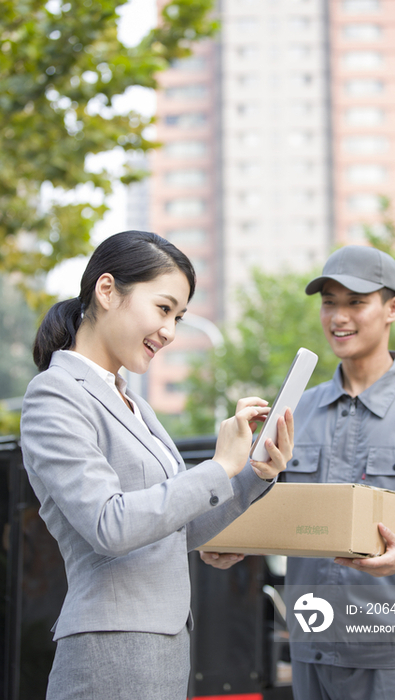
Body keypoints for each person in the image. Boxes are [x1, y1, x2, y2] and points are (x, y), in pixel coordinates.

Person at [20, 230, 294, 700]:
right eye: (163, 308)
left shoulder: (133, 404)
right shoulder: (55, 393)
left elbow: (175, 529)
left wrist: (254, 473)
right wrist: (217, 467)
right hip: (110, 652)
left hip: (163, 649)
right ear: (107, 291)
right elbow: (109, 525)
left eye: (179, 317)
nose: (170, 330)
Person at [201, 245, 395, 700]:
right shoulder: (297, 409)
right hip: (311, 643)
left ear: (393, 309)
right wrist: (230, 543)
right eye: (329, 303)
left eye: (355, 302)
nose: (338, 316)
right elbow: (267, 510)